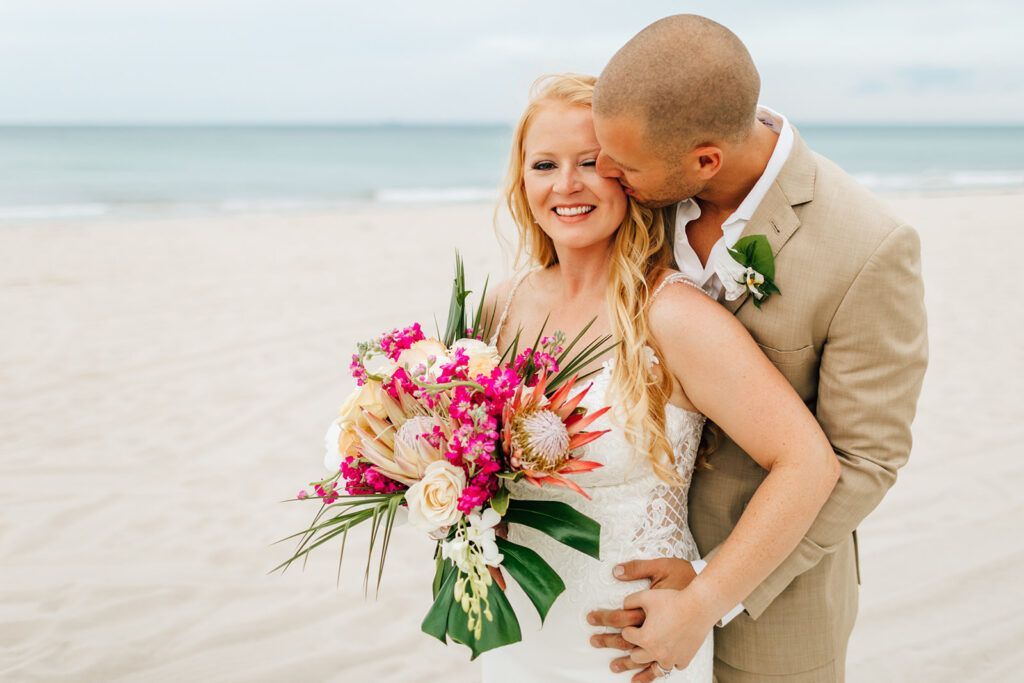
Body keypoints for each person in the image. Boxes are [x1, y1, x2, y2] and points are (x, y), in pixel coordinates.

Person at [586, 15, 928, 682]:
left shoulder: (868, 247)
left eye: (620, 164)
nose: (602, 171)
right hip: (627, 569)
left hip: (777, 601)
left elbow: (867, 457)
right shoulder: (641, 189)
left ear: (705, 160)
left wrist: (713, 587)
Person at [477, 73, 839, 683]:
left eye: (591, 162)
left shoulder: (670, 314)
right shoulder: (501, 305)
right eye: (544, 164)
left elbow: (808, 463)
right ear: (522, 181)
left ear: (629, 176)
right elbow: (473, 467)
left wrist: (702, 602)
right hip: (518, 636)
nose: (566, 185)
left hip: (631, 647)